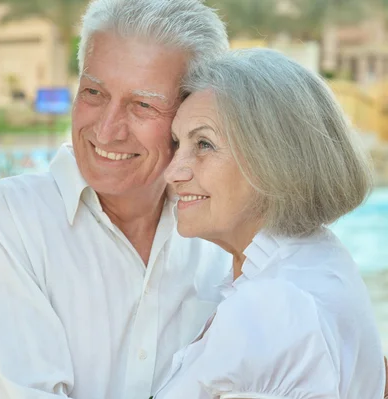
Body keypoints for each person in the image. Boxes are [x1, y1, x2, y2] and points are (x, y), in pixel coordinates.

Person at [0, 1, 231, 398]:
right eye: (94, 93)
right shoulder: (5, 223)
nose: (108, 129)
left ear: (194, 114)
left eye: (143, 104)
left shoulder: (220, 243)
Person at [157, 48, 386, 398]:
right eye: (177, 144)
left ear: (274, 157)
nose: (172, 172)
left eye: (204, 144)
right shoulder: (318, 256)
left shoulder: (270, 306)